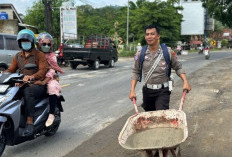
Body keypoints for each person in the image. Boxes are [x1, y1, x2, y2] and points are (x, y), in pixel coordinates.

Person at [129, 24, 191, 156]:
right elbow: (135, 71)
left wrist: (185, 81)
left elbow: (178, 67)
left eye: (152, 34)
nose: (149, 36)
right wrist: (132, 90)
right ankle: (152, 148)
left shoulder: (167, 52)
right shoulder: (141, 54)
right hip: (147, 92)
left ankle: (161, 150)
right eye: (147, 34)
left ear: (158, 36)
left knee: (160, 120)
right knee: (150, 123)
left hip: (163, 91)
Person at [5, 29, 48, 136]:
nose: (25, 43)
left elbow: (42, 71)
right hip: (22, 83)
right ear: (20, 43)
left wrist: (32, 77)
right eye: (22, 41)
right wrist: (3, 74)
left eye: (27, 41)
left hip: (37, 84)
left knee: (28, 92)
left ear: (32, 42)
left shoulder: (39, 55)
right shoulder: (18, 56)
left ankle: (30, 122)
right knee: (9, 93)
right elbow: (11, 69)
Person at [35, 32, 64, 127]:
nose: (46, 46)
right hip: (36, 76)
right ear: (39, 44)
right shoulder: (35, 54)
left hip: (49, 78)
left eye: (48, 44)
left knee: (52, 87)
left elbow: (52, 70)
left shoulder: (52, 56)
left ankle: (51, 114)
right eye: (44, 44)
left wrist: (44, 80)